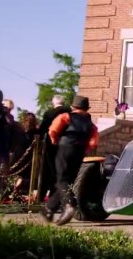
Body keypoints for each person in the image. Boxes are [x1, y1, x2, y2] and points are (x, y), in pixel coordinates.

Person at [43, 95, 98, 226]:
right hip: (79, 152)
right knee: (68, 181)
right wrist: (86, 148)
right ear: (86, 108)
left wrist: (55, 141)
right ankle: (49, 209)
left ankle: (70, 204)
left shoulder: (66, 116)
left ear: (73, 107)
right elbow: (94, 141)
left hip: (65, 148)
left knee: (61, 179)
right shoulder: (90, 124)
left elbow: (53, 130)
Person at [38, 95, 70, 201]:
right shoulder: (70, 113)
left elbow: (43, 129)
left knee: (48, 170)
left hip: (51, 145)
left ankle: (41, 196)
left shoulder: (49, 113)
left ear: (54, 103)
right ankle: (56, 196)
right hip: (66, 144)